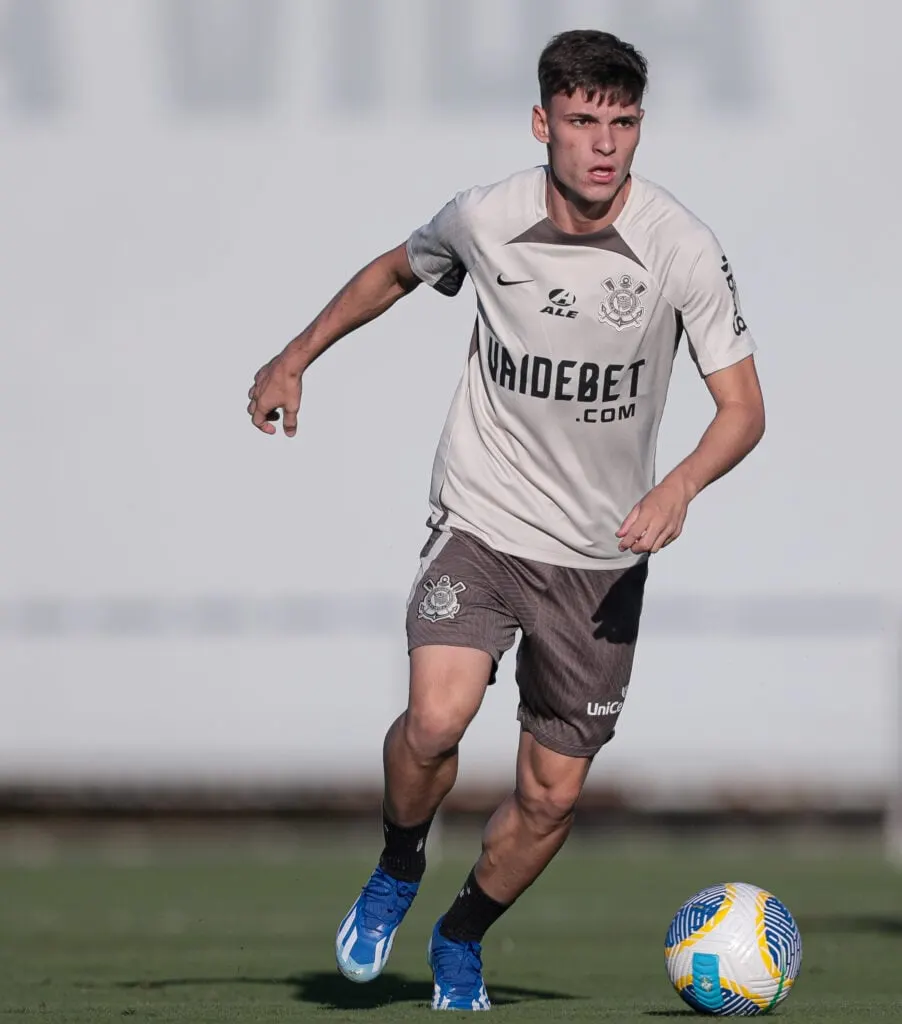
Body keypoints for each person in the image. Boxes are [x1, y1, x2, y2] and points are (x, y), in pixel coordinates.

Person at [247, 28, 765, 1013]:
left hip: (600, 558)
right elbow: (393, 271)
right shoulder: (485, 218)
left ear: (638, 128)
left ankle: (459, 933)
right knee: (438, 715)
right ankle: (398, 861)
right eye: (580, 122)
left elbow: (743, 410)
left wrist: (678, 485)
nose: (602, 145)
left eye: (620, 124)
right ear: (542, 124)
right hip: (481, 517)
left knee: (550, 794)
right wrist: (294, 356)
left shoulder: (679, 246)